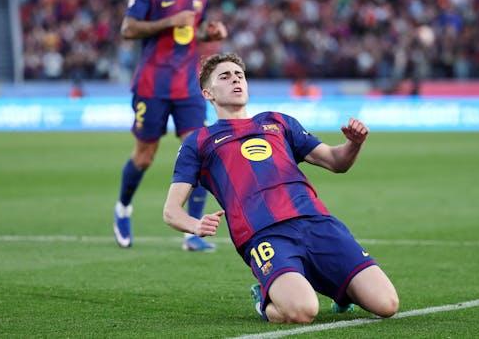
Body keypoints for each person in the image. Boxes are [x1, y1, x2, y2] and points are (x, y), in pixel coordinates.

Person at [163, 53, 399, 323]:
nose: (235, 80)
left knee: (387, 304)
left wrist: (354, 144)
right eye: (225, 77)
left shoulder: (278, 122)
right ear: (208, 93)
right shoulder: (199, 142)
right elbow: (171, 210)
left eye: (239, 75)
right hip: (265, 235)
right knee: (302, 311)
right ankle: (264, 300)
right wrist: (195, 225)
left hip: (317, 222)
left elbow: (336, 161)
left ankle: (340, 292)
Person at [114, 0, 227, 250]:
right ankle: (123, 208)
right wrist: (168, 21)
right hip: (152, 84)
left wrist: (209, 33)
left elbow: (191, 32)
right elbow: (128, 28)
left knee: (201, 153)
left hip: (188, 85)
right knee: (144, 156)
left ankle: (192, 231)